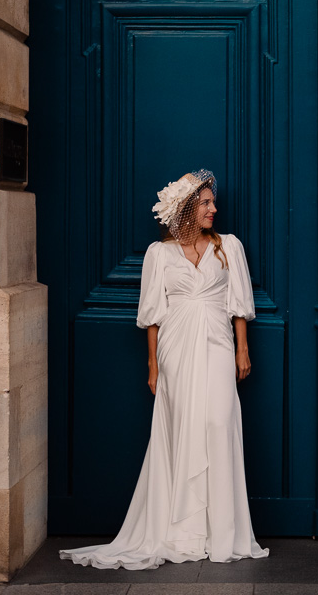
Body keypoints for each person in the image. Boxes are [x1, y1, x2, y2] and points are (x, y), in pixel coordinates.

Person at [60, 170, 269, 569]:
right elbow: (153, 315)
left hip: (218, 344)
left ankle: (221, 531)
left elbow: (239, 303)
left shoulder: (230, 247)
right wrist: (154, 365)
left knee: (218, 423)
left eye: (212, 202)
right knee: (183, 429)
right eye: (206, 202)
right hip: (176, 348)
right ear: (188, 207)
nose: (214, 208)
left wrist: (243, 349)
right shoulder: (160, 254)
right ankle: (184, 532)